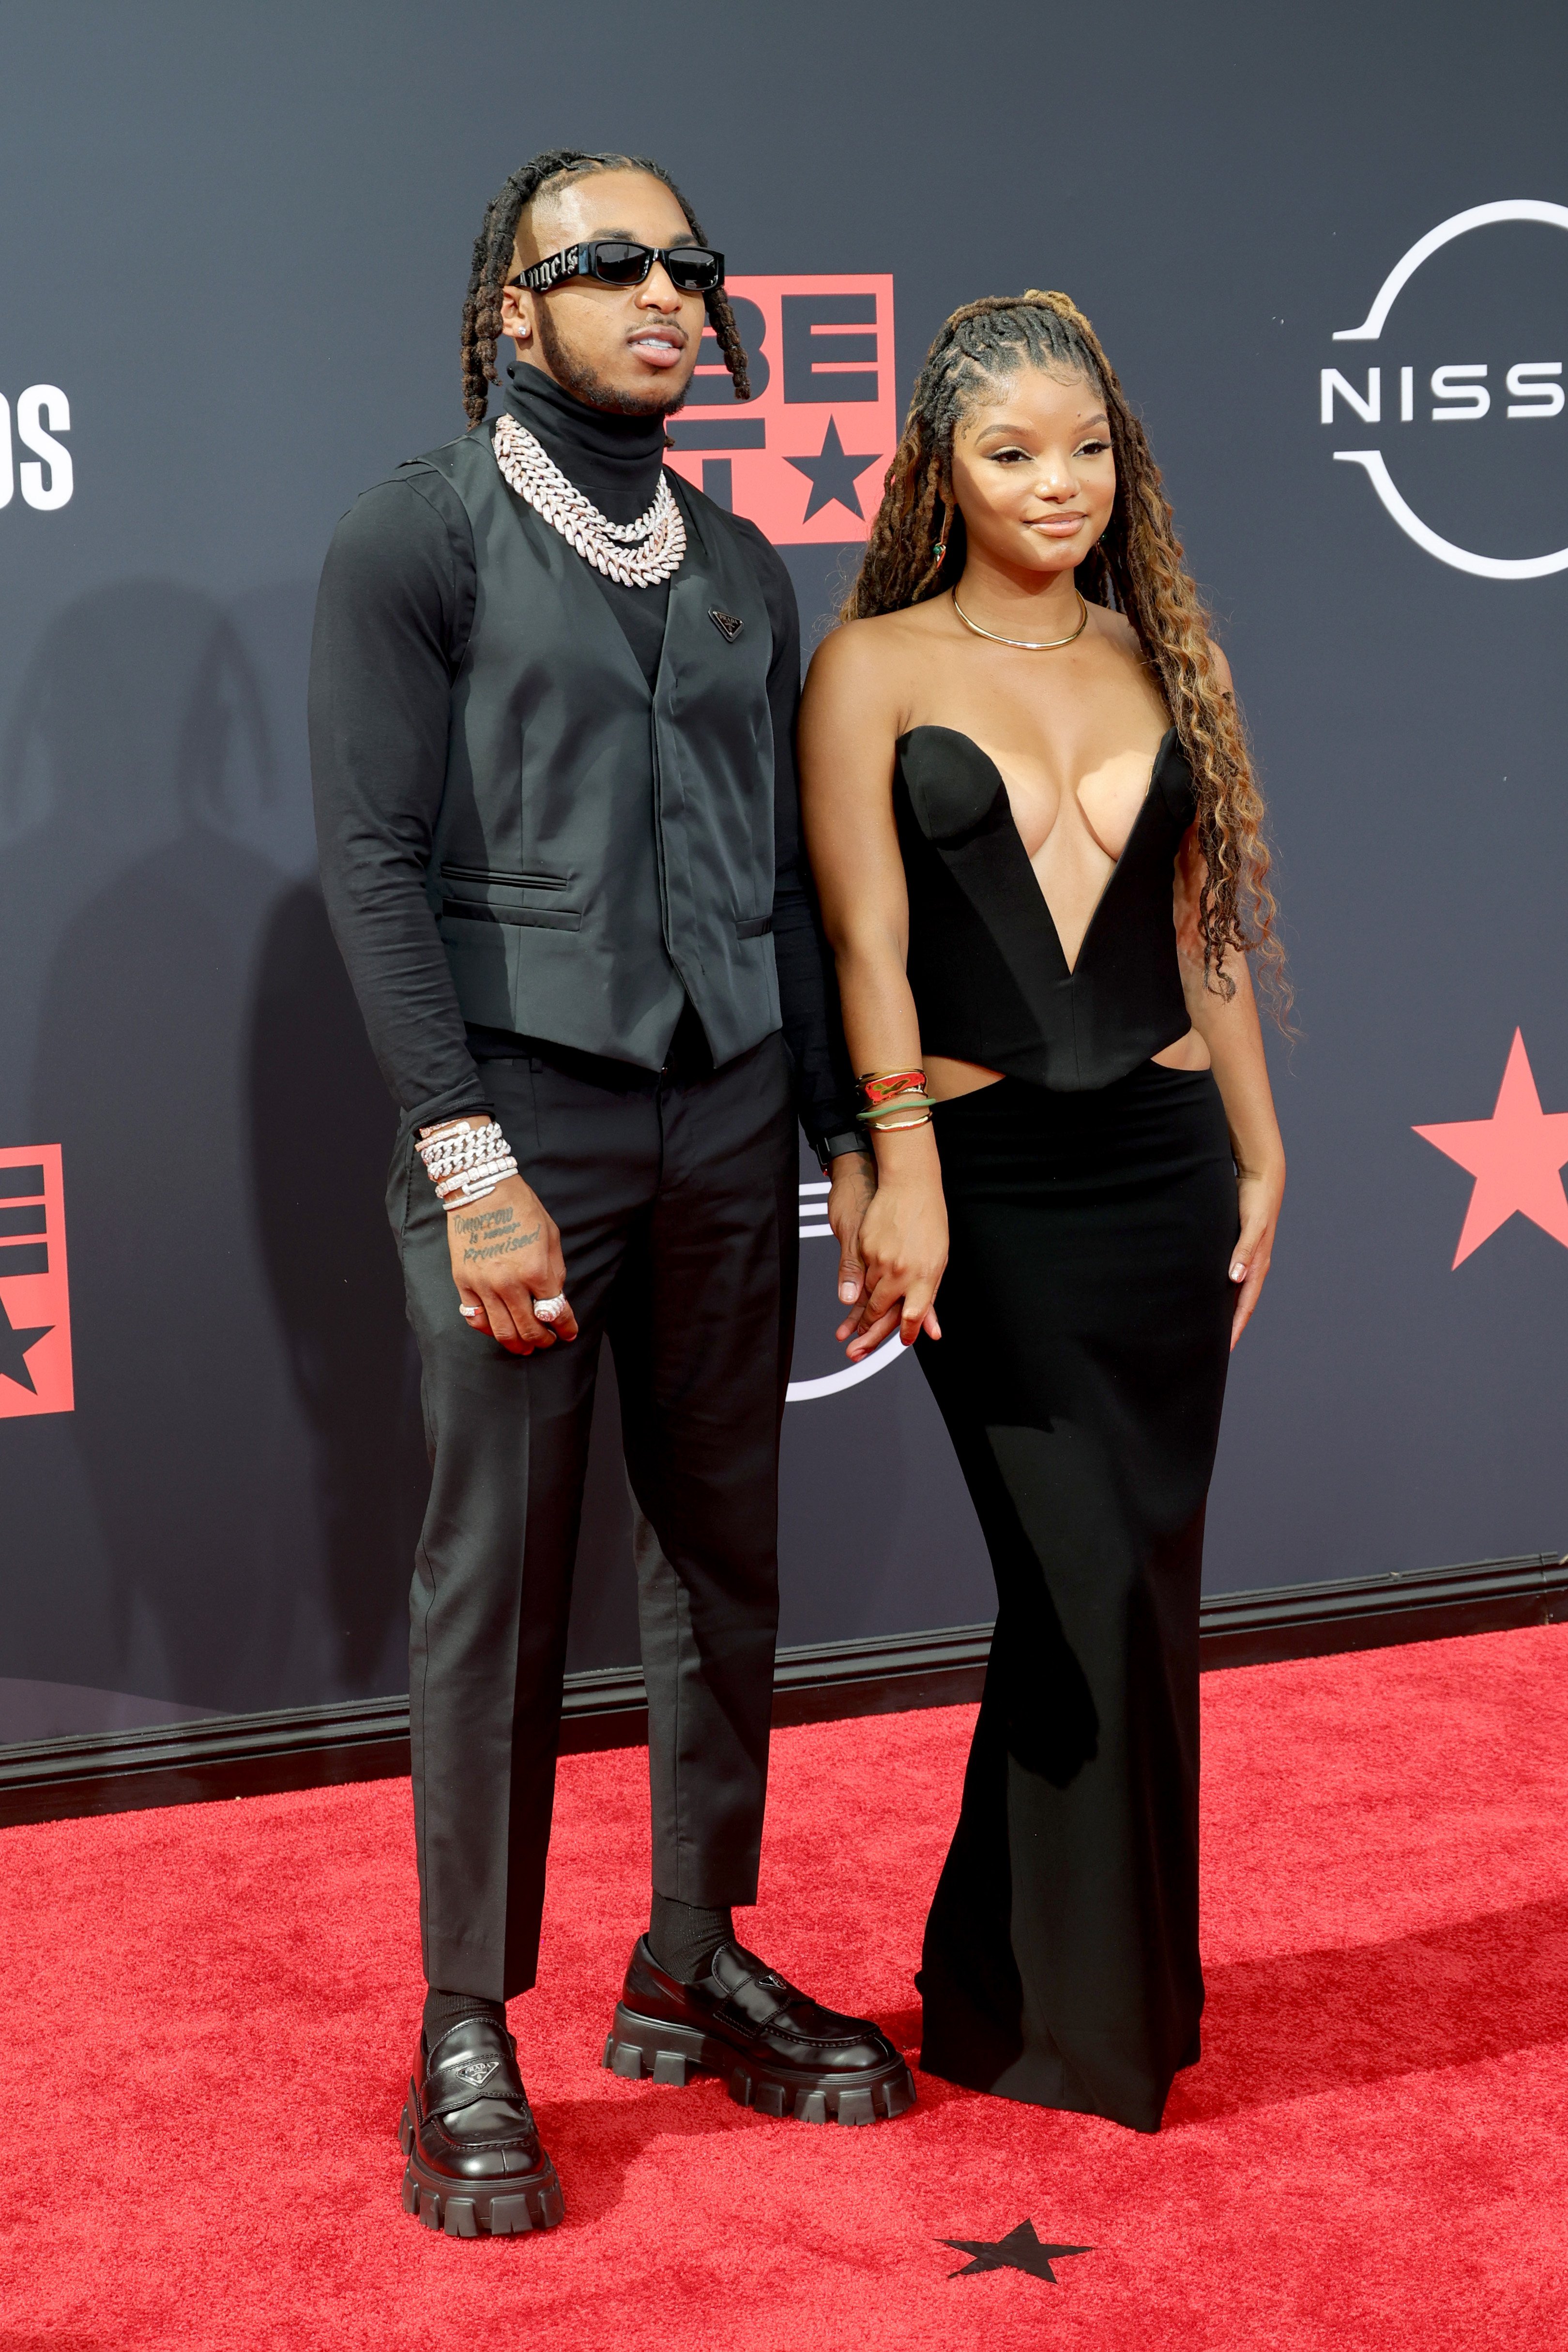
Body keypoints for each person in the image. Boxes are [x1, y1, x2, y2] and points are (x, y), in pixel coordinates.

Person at [309, 147, 913, 2240]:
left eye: (691, 263)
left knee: (721, 1550)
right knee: (501, 1571)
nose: (669, 290)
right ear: (514, 306)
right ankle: (466, 2016)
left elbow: (777, 890)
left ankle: (692, 1952)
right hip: (526, 1132)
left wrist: (848, 1136)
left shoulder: (746, 561)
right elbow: (378, 871)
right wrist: (469, 1161)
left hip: (732, 1117)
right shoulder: (424, 531)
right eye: (612, 262)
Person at [798, 291, 1287, 2134]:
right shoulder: (874, 665)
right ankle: (1071, 2012)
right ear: (941, 467)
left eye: (1086, 447)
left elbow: (1201, 927)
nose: (1058, 483)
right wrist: (899, 1165)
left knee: (1131, 1587)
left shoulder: (1163, 650)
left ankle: (1027, 1995)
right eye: (1014, 453)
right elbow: (865, 942)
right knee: (1074, 1574)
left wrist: (1263, 1146)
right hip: (988, 1191)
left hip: (1163, 1177)